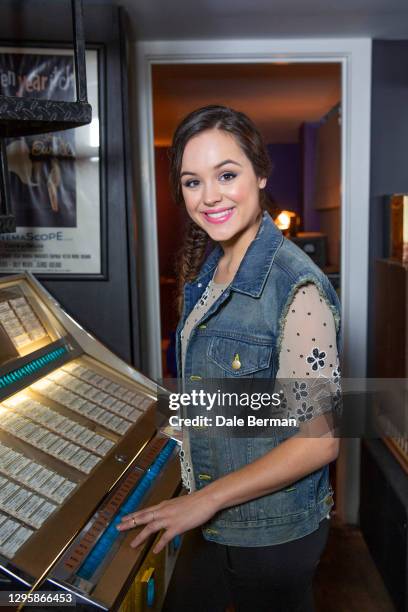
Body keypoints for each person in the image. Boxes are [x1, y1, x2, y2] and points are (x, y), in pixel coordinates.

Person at [117, 105, 342, 612]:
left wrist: (203, 500)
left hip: (269, 536)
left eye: (226, 175)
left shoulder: (297, 288)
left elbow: (317, 443)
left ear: (260, 173)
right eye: (192, 182)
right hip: (212, 515)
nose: (209, 196)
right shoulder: (210, 267)